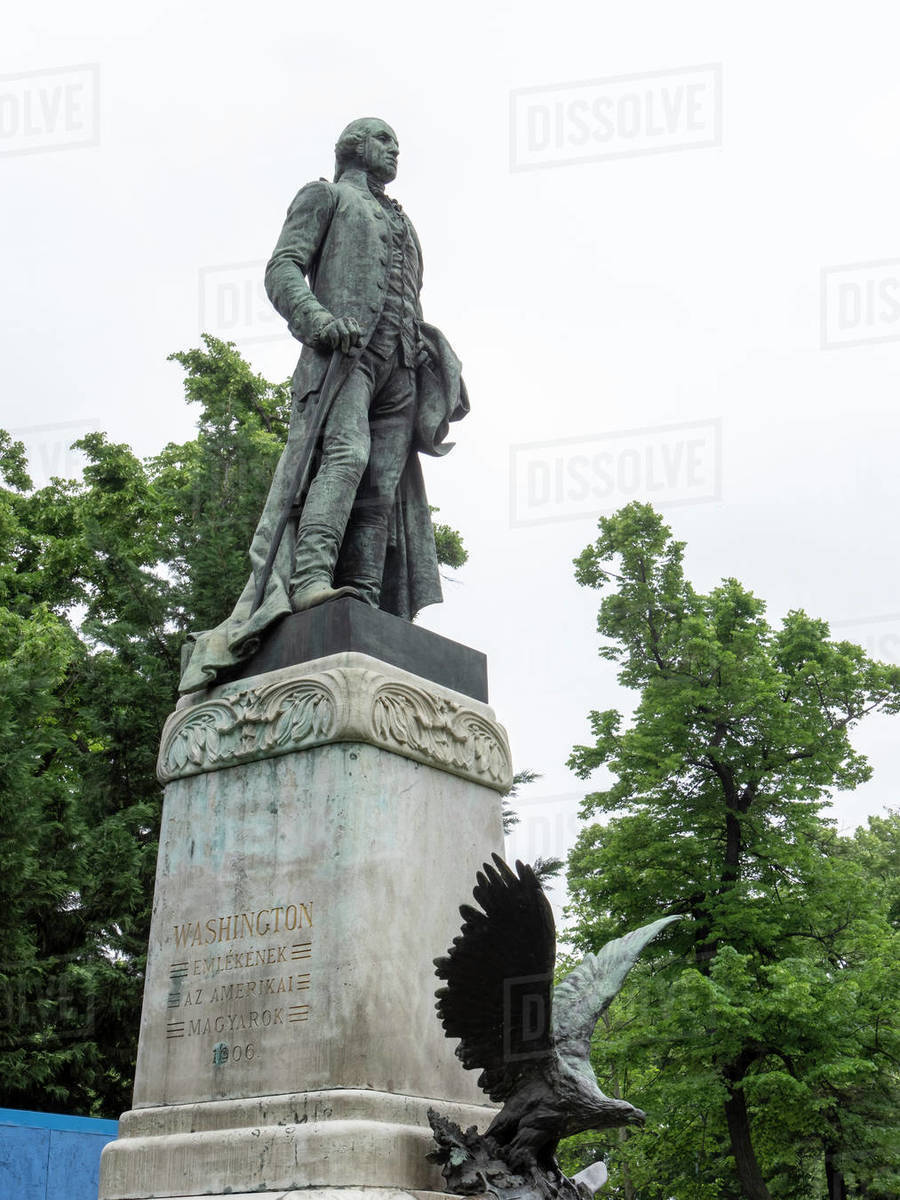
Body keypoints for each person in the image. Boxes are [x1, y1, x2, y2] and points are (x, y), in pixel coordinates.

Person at [178, 118, 467, 694]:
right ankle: (310, 578)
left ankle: (362, 594)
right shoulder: (325, 196)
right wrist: (315, 320)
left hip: (401, 366)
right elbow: (283, 267)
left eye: (396, 141)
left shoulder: (403, 221)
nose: (395, 148)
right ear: (354, 146)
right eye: (384, 139)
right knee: (346, 457)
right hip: (343, 356)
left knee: (382, 483)